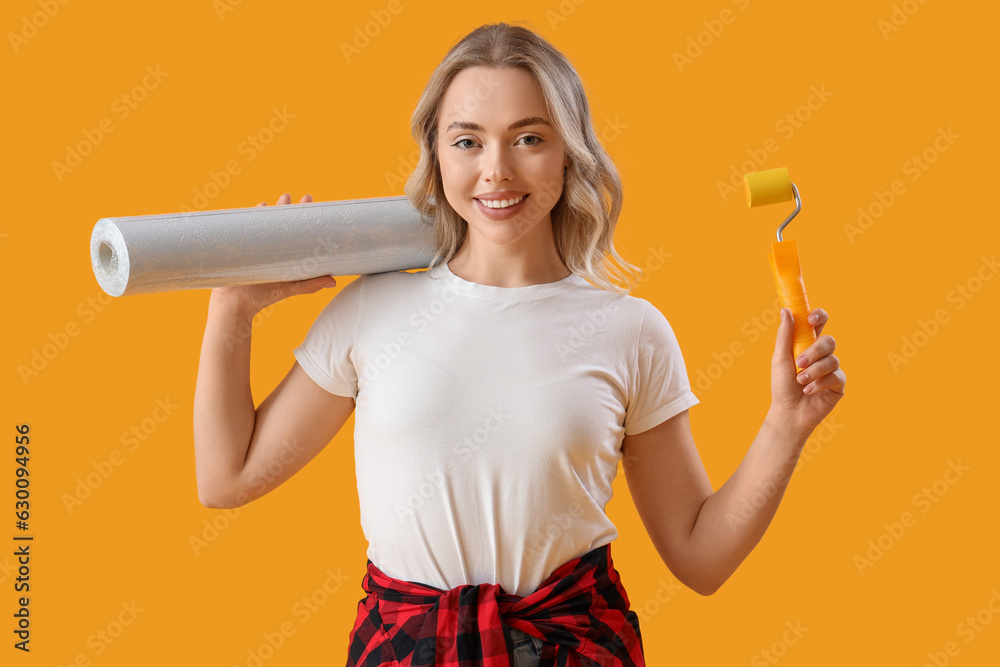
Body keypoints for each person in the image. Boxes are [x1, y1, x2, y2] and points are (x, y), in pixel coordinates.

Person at [193, 22, 846, 667]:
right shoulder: (371, 308)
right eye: (468, 141)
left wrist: (787, 425)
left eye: (528, 138)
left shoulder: (631, 330)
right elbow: (227, 477)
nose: (496, 171)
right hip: (405, 652)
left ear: (569, 151)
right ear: (437, 154)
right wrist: (233, 307)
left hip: (575, 650)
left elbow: (700, 558)